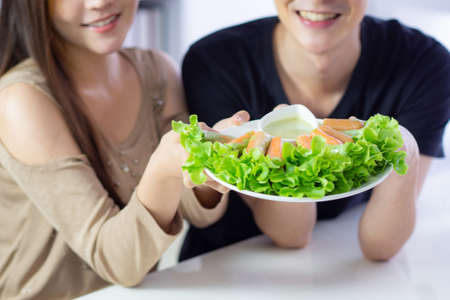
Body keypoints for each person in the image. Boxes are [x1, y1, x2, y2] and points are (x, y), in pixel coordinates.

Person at [0, 0, 240, 299]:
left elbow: (197, 211)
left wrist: (215, 160)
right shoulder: (21, 100)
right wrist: (164, 170)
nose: (100, 2)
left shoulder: (158, 71)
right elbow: (118, 263)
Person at [180, 0, 450, 262]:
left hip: (349, 268)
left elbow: (381, 246)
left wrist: (406, 150)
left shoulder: (425, 64)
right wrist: (283, 146)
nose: (318, 1)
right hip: (226, 266)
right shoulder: (215, 62)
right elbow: (291, 236)